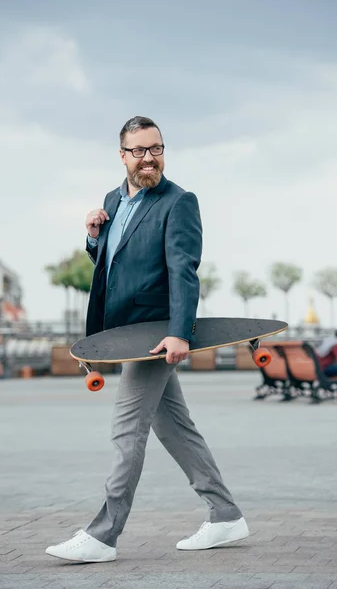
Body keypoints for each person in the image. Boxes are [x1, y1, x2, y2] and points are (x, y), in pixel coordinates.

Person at [46, 116, 249, 563]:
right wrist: (93, 236)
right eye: (138, 151)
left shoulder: (179, 202)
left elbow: (183, 269)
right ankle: (225, 514)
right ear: (122, 156)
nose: (148, 159)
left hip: (156, 337)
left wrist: (180, 332)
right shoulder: (111, 200)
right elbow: (114, 264)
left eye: (156, 149)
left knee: (126, 431)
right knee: (175, 428)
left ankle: (103, 535)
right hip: (123, 335)